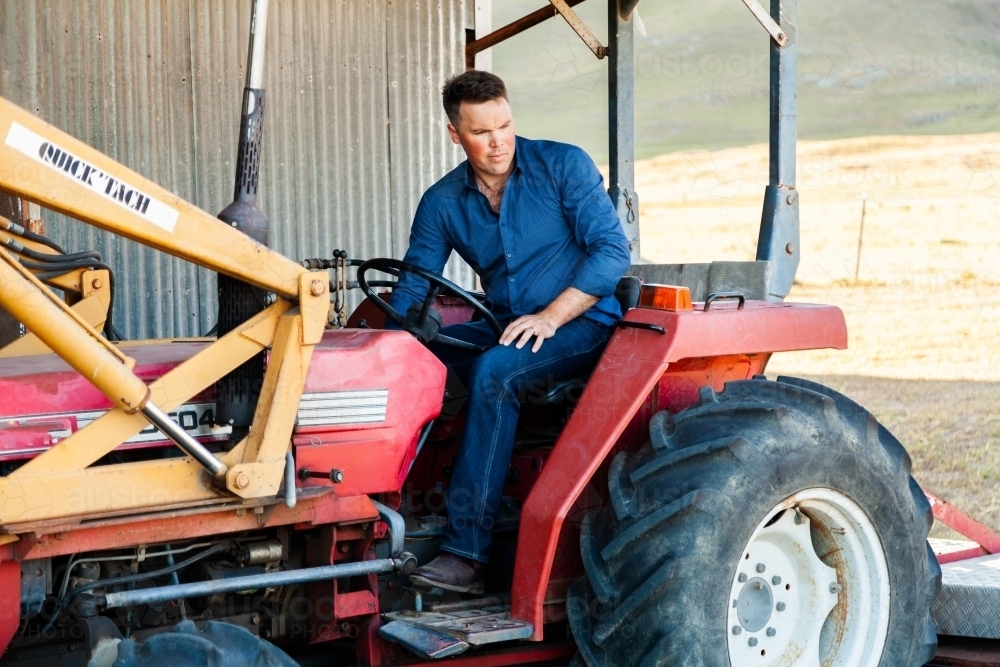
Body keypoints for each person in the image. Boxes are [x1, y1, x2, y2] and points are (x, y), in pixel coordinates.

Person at [391, 70, 631, 593]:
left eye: (505, 125)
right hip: (507, 324)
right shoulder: (442, 202)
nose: (498, 141)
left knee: (496, 372)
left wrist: (551, 316)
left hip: (585, 323)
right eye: (481, 132)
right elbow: (414, 283)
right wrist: (388, 349)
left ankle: (466, 553)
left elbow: (612, 253)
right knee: (423, 364)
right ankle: (394, 517)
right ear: (456, 134)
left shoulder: (562, 165)